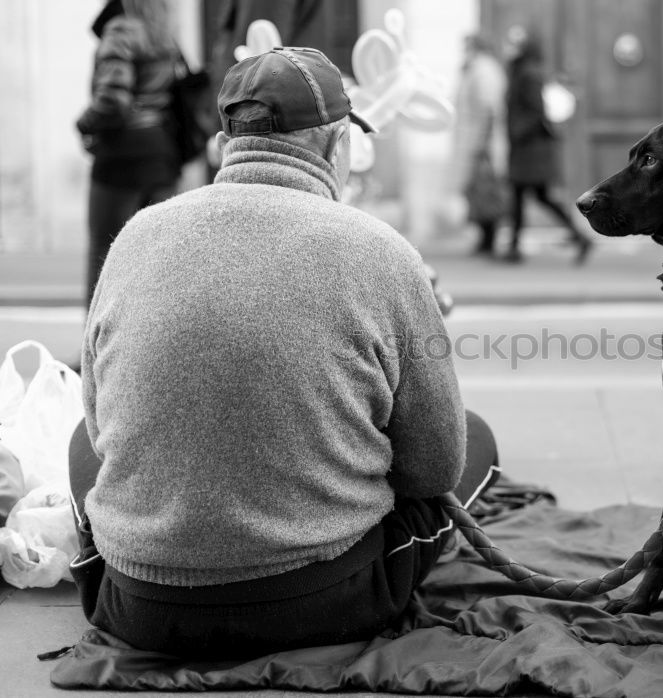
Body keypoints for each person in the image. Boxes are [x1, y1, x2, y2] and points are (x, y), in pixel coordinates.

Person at [68, 47, 499, 659]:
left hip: (137, 606)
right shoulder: (382, 252)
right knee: (474, 438)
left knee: (80, 441)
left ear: (225, 146)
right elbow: (432, 470)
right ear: (337, 146)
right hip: (319, 600)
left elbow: (99, 420)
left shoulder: (136, 234)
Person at [75, 0, 184, 309]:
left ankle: (95, 355)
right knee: (157, 262)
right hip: (162, 152)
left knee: (105, 255)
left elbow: (111, 99)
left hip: (122, 153)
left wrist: (83, 124)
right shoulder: (162, 28)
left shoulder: (122, 29)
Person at [504, 34, 592, 265]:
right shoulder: (520, 71)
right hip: (526, 147)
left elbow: (536, 111)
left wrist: (517, 132)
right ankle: (577, 236)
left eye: (514, 45)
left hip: (530, 148)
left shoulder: (528, 74)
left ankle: (578, 236)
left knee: (528, 195)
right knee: (529, 196)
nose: (508, 48)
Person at [453, 33, 508, 256]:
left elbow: (488, 109)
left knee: (485, 192)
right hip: (475, 140)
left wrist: (481, 144)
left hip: (480, 144)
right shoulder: (475, 68)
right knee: (477, 192)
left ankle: (490, 237)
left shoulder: (483, 70)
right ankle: (485, 237)